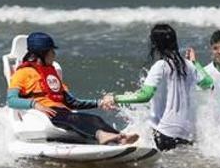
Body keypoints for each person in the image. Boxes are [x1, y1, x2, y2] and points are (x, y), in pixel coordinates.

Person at [7, 32, 138, 145]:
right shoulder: (22, 73)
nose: (54, 54)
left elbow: (72, 102)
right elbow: (11, 100)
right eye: (51, 51)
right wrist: (35, 104)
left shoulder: (51, 72)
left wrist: (99, 103)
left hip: (62, 112)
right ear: (41, 54)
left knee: (94, 119)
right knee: (74, 119)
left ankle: (120, 137)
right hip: (43, 114)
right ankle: (101, 135)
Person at [102, 24, 205, 151]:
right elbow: (208, 83)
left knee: (142, 126)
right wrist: (195, 63)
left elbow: (145, 95)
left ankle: (118, 141)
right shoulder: (190, 66)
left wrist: (114, 98)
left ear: (155, 45)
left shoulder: (161, 66)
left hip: (165, 135)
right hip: (188, 136)